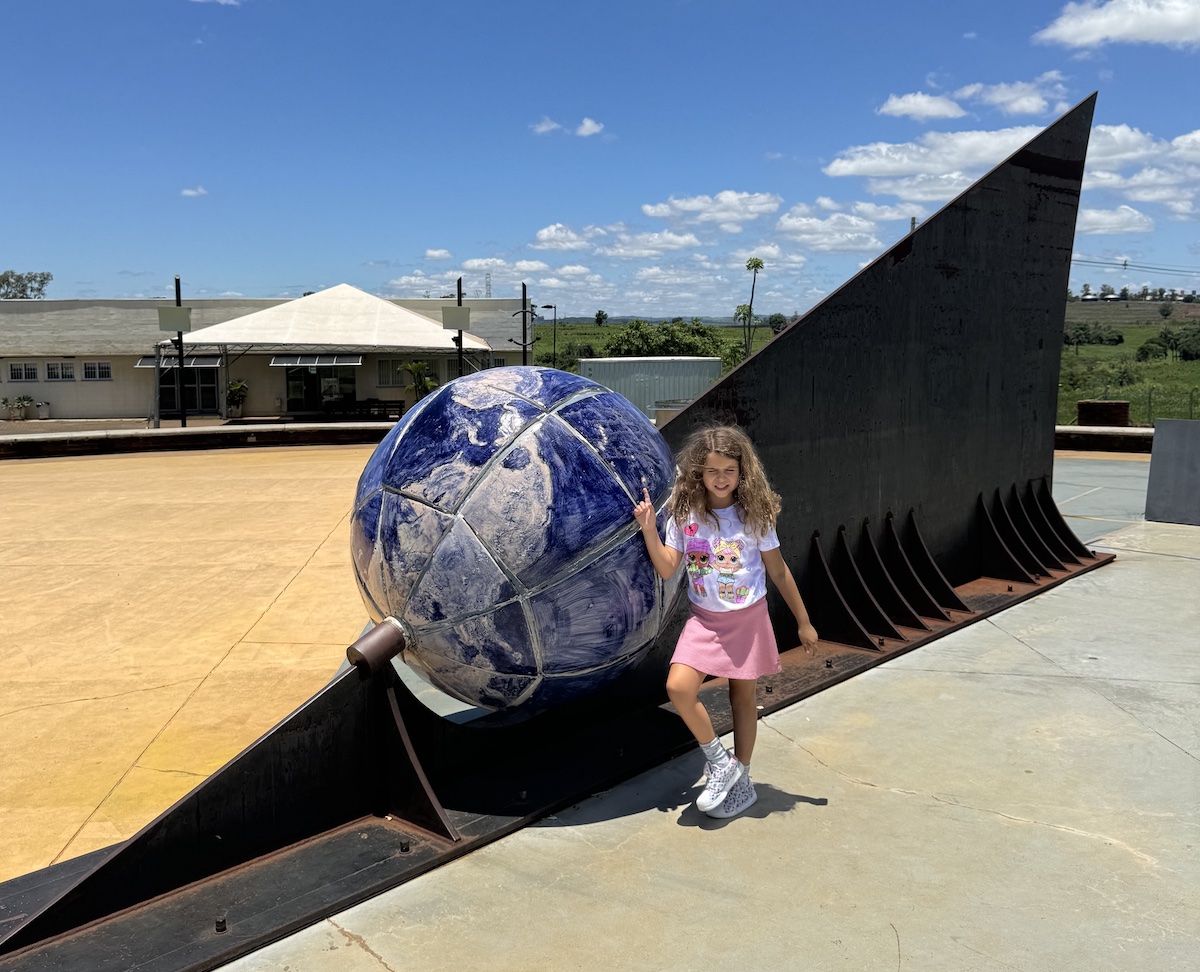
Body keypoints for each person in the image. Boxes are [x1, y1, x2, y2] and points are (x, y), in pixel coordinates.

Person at [634, 425, 819, 818]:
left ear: (742, 472)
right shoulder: (684, 515)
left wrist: (803, 622)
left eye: (729, 471)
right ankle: (721, 762)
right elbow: (668, 568)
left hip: (747, 619)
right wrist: (650, 530)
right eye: (713, 471)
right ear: (699, 472)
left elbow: (779, 571)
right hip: (704, 622)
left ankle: (743, 780)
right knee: (679, 687)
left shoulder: (754, 515)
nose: (721, 479)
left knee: (742, 699)